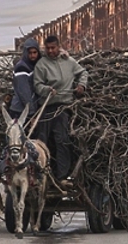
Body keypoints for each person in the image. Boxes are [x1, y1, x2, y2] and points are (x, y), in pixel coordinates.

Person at [32, 35, 88, 187]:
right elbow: (37, 85)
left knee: (62, 140)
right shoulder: (41, 65)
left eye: (53, 48)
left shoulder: (68, 62)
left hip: (62, 107)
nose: (50, 51)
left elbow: (83, 73)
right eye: (47, 48)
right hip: (46, 107)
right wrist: (46, 90)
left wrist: (81, 86)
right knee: (41, 142)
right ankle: (40, 176)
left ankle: (62, 176)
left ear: (58, 46)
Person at [9, 38, 41, 120]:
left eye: (35, 52)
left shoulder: (34, 64)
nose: (32, 55)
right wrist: (32, 113)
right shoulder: (21, 67)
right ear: (25, 53)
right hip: (20, 111)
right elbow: (25, 93)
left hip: (29, 109)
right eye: (30, 53)